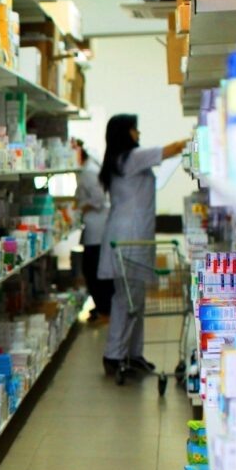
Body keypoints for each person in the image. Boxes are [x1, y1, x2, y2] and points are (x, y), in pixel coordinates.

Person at [97, 114, 189, 375]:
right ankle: (114, 356)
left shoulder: (121, 160)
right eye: (134, 129)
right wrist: (199, 137)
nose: (138, 133)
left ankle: (133, 354)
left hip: (131, 235)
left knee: (134, 298)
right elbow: (171, 149)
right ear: (125, 133)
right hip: (129, 237)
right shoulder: (131, 157)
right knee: (127, 299)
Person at [73, 138, 113, 322]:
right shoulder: (89, 169)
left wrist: (81, 207)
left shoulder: (89, 172)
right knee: (93, 269)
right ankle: (103, 307)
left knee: (92, 269)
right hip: (97, 227)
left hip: (97, 228)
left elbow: (98, 199)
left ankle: (105, 309)